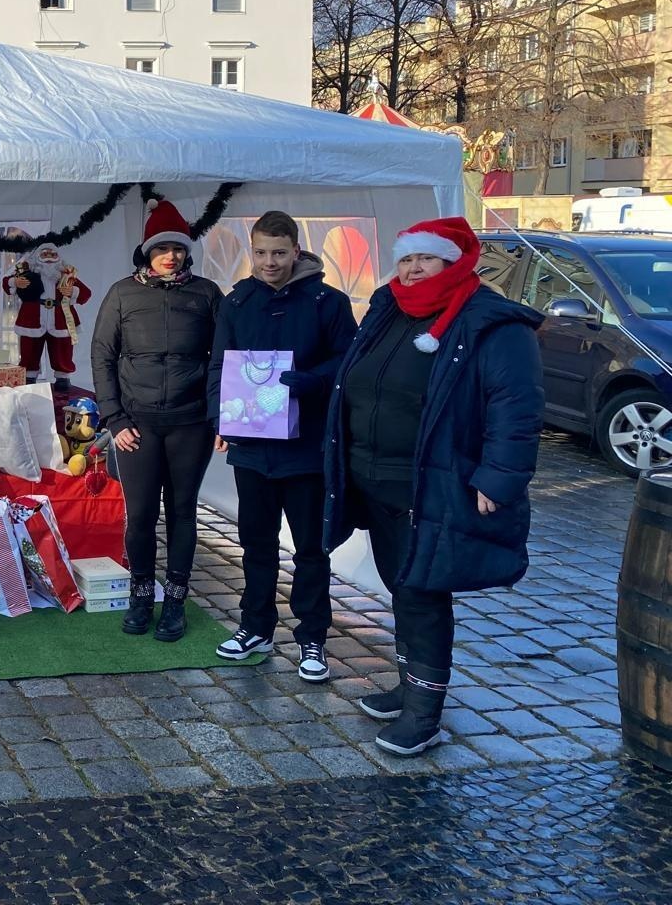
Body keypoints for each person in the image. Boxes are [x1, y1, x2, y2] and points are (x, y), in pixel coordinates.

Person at [325, 216, 542, 757]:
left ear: (455, 262)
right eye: (407, 259)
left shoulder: (489, 323)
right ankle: (409, 685)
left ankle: (425, 712)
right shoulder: (387, 309)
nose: (414, 268)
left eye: (427, 259)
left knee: (422, 592)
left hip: (432, 484)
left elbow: (516, 407)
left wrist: (498, 476)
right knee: (400, 585)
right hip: (374, 478)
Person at [206, 211, 358, 682]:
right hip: (252, 447)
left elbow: (348, 361)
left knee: (311, 549)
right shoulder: (237, 303)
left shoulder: (327, 302)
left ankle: (312, 636)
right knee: (255, 543)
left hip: (306, 449)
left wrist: (311, 381)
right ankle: (256, 625)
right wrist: (221, 416)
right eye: (261, 253)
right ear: (251, 252)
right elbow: (219, 366)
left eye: (278, 253)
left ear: (296, 250)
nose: (269, 262)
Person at [91, 199, 222, 642]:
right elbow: (102, 356)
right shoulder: (122, 294)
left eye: (178, 248)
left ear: (187, 253)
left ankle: (176, 604)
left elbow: (224, 358)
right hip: (137, 426)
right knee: (141, 515)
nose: (171, 255)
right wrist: (114, 418)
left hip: (191, 424)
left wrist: (220, 416)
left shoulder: (206, 294)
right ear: (147, 252)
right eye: (161, 247)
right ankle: (141, 597)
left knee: (182, 513)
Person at [5, 243, 92, 391]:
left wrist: (72, 291)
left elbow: (86, 294)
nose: (49, 258)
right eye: (45, 255)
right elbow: (6, 284)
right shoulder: (27, 271)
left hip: (60, 319)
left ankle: (63, 377)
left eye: (53, 255)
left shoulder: (66, 275)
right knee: (29, 349)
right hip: (32, 319)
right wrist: (15, 282)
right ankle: (29, 376)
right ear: (37, 256)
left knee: (62, 349)